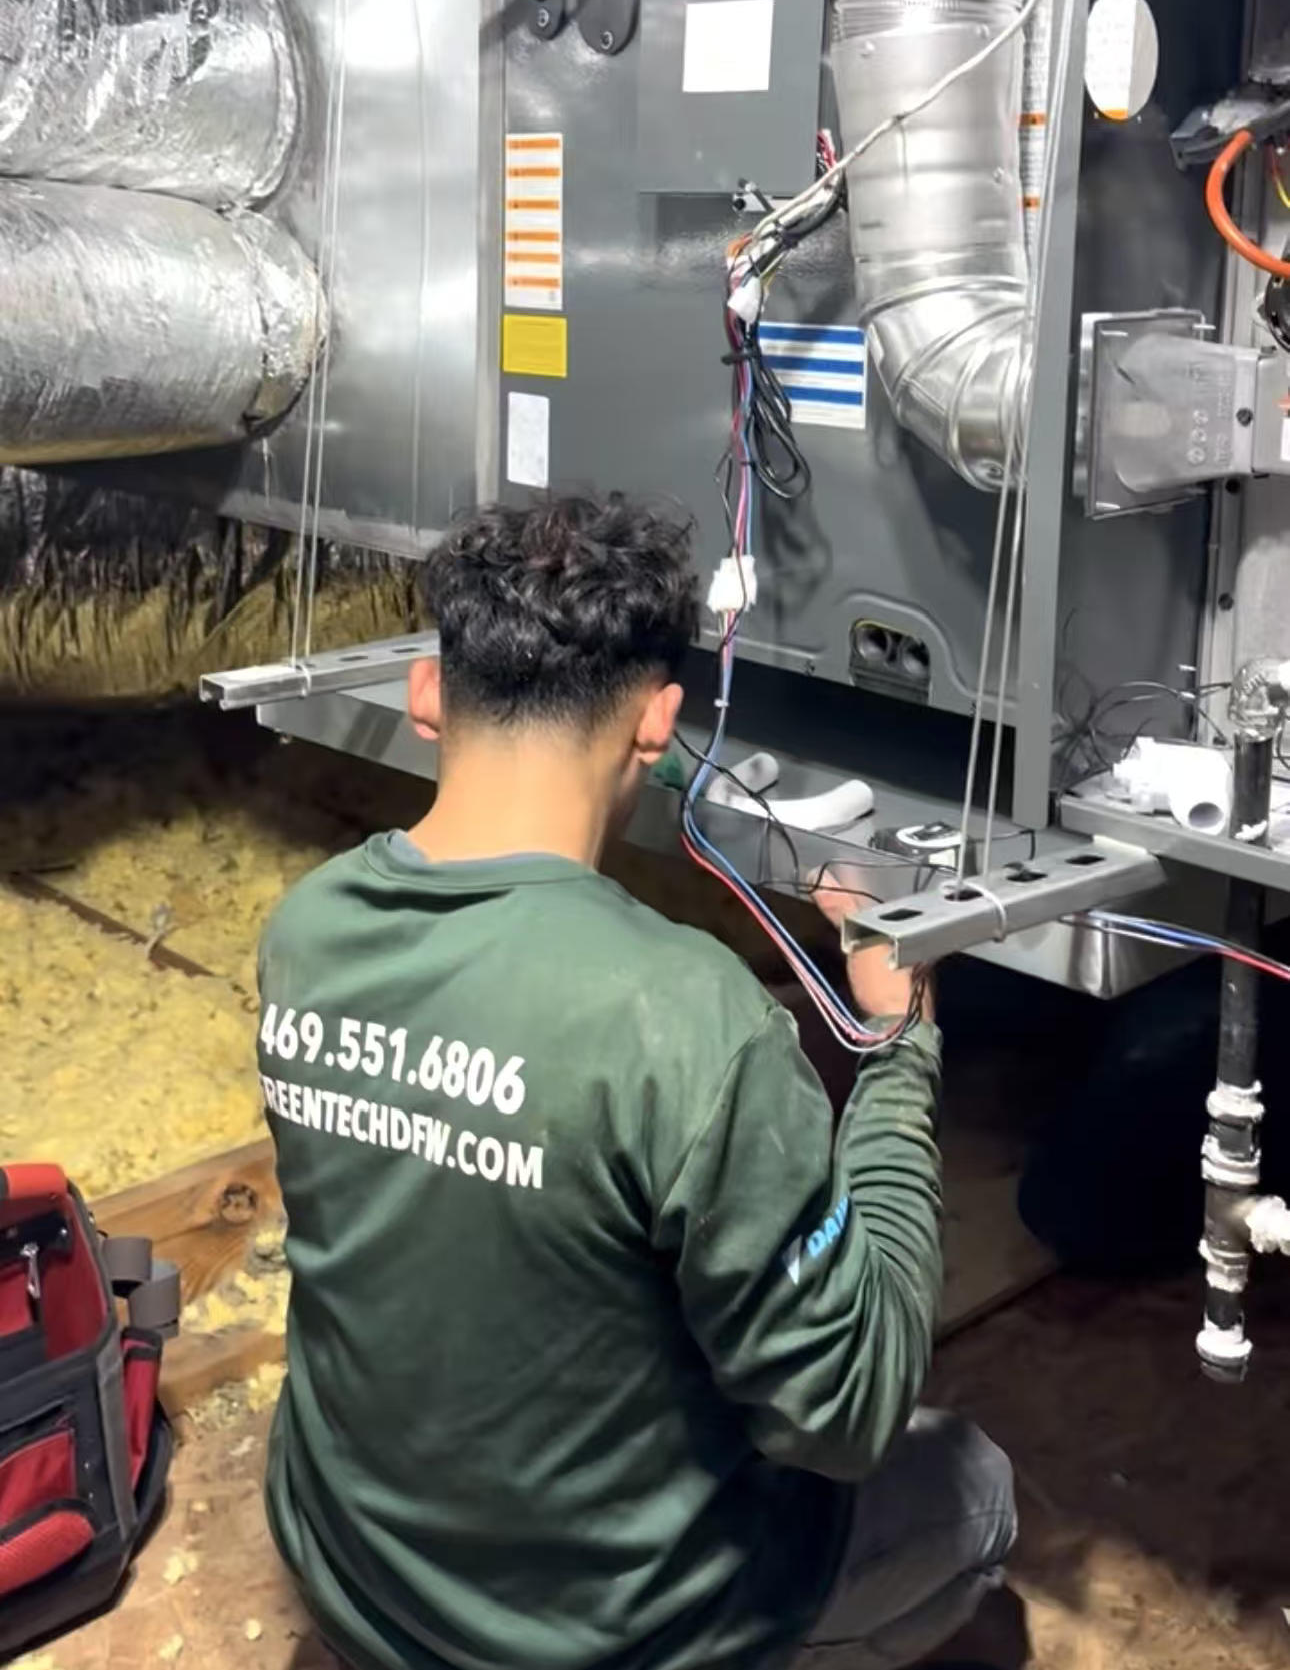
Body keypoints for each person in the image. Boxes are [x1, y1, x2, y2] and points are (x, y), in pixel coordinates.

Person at [257, 494, 1016, 1670]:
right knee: (975, 1492)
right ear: (658, 725)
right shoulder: (685, 1018)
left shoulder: (309, 932)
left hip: (356, 1580)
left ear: (424, 696)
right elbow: (852, 1405)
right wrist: (897, 1039)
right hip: (599, 1638)